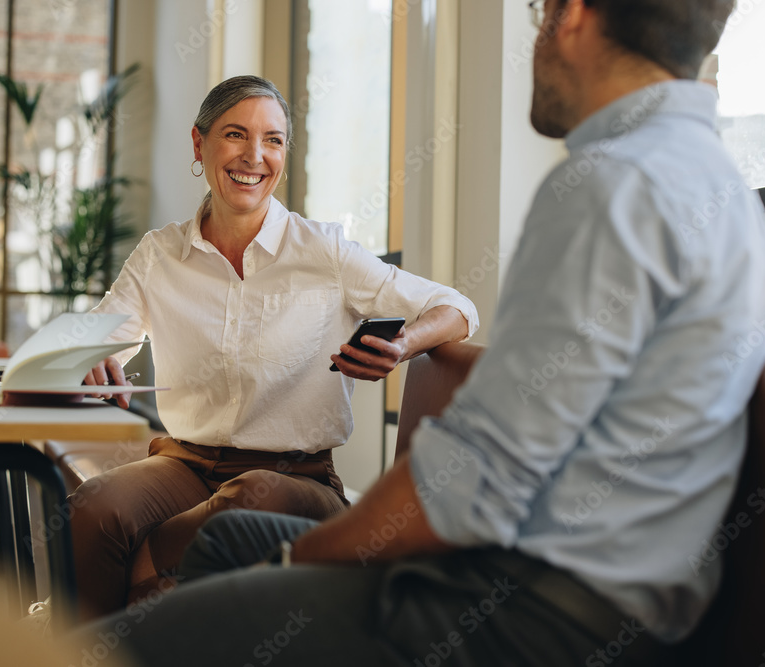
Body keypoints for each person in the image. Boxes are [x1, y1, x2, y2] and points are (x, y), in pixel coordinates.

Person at [70, 0, 765, 664]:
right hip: (601, 584)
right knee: (230, 538)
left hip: (528, 602)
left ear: (571, 16)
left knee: (124, 647)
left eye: (536, 10)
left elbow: (466, 482)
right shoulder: (709, 182)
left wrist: (297, 566)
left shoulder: (612, 185)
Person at [66, 75, 478, 621]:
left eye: (274, 140)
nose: (254, 156)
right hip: (185, 463)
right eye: (235, 134)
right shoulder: (159, 254)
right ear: (199, 144)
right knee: (93, 509)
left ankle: (137, 609)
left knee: (249, 498)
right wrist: (95, 354)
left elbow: (456, 309)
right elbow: (96, 338)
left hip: (296, 477)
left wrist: (402, 345)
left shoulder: (325, 251)